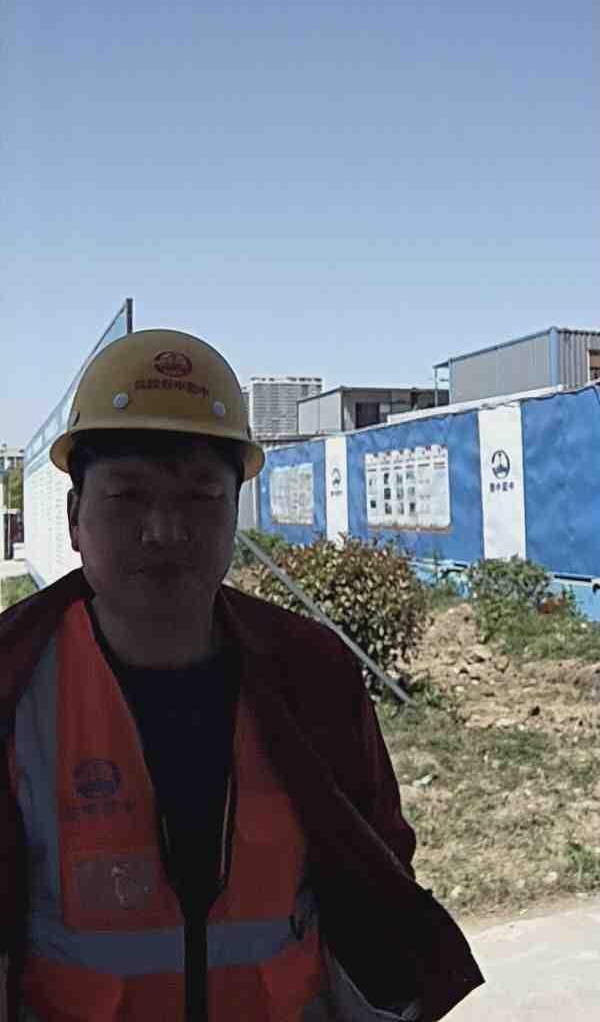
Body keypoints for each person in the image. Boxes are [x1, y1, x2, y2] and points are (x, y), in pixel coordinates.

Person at [0, 329, 483, 1021]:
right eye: (128, 496)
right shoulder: (13, 680)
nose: (165, 530)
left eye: (200, 497)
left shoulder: (314, 677)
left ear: (235, 512)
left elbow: (376, 874)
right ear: (76, 517)